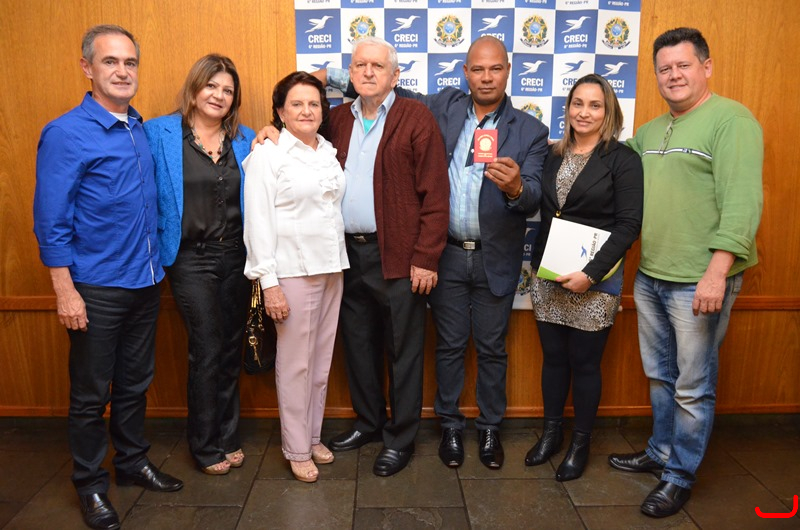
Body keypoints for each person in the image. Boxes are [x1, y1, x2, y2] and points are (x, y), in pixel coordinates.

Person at [323, 35, 548, 470]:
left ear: (508, 71)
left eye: (495, 69)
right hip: (446, 253)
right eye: (477, 69)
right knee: (447, 346)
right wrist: (320, 77)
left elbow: (534, 196)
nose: (486, 77)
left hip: (493, 256)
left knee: (492, 348)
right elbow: (380, 83)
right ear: (465, 73)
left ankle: (489, 429)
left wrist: (517, 188)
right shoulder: (443, 107)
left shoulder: (530, 130)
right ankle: (449, 428)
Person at [607, 27, 763, 517]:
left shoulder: (732, 121)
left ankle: (678, 476)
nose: (673, 75)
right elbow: (605, 160)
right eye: (665, 68)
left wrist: (717, 272)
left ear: (706, 67)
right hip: (651, 274)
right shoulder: (652, 131)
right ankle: (660, 452)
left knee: (693, 386)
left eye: (683, 65)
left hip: (700, 279)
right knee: (660, 376)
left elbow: (743, 202)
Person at [33, 25, 182, 530]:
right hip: (95, 288)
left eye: (130, 62)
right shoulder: (66, 133)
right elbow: (50, 219)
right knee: (91, 394)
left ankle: (132, 462)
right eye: (110, 62)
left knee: (136, 383)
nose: (122, 71)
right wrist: (65, 291)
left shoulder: (139, 127)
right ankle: (90, 486)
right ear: (87, 68)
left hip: (145, 281)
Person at [320, 37, 449, 477]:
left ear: (395, 76)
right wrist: (272, 131)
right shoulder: (337, 119)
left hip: (397, 255)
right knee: (357, 344)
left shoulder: (416, 117)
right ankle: (368, 422)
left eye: (378, 66)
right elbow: (298, 143)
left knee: (403, 350)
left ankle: (400, 438)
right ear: (351, 73)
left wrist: (426, 257)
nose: (368, 72)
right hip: (345, 255)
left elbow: (436, 194)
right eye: (360, 65)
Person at [524, 74, 643, 481]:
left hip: (595, 281)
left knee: (586, 363)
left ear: (608, 111)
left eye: (595, 105)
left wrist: (590, 275)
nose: (584, 112)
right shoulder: (552, 154)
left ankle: (580, 444)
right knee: (554, 359)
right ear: (568, 108)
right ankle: (551, 434)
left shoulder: (623, 160)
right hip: (549, 275)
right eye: (578, 103)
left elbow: (628, 225)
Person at [144, 54, 255, 476]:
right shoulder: (158, 133)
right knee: (207, 348)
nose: (219, 95)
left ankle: (228, 434)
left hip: (237, 256)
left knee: (230, 347)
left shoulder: (245, 139)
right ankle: (205, 444)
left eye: (227, 90)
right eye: (211, 86)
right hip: (190, 258)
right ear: (194, 88)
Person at [242, 71, 349, 483]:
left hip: (332, 269)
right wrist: (269, 283)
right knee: (295, 366)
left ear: (323, 111)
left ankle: (313, 435)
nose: (307, 111)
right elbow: (258, 223)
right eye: (296, 104)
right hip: (291, 274)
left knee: (319, 365)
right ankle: (296, 447)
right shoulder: (268, 154)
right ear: (280, 112)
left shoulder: (327, 150)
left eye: (314, 104)